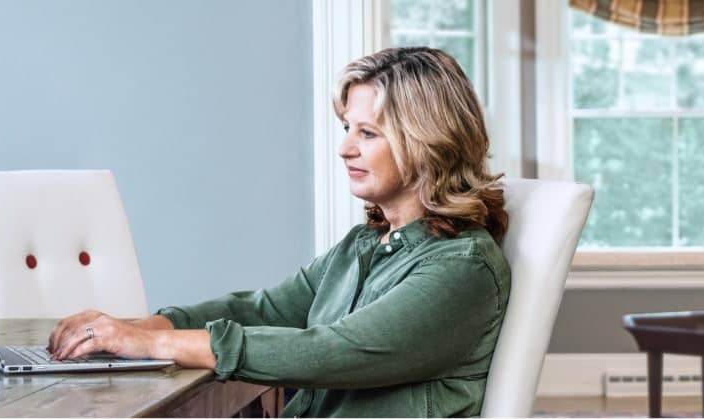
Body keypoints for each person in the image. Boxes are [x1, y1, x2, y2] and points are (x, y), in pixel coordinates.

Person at [47, 47, 511, 418]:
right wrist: (140, 326)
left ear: (428, 141)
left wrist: (153, 345)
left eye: (367, 133)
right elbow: (262, 309)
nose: (344, 148)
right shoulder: (366, 245)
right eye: (347, 127)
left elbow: (332, 351)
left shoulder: (462, 268)